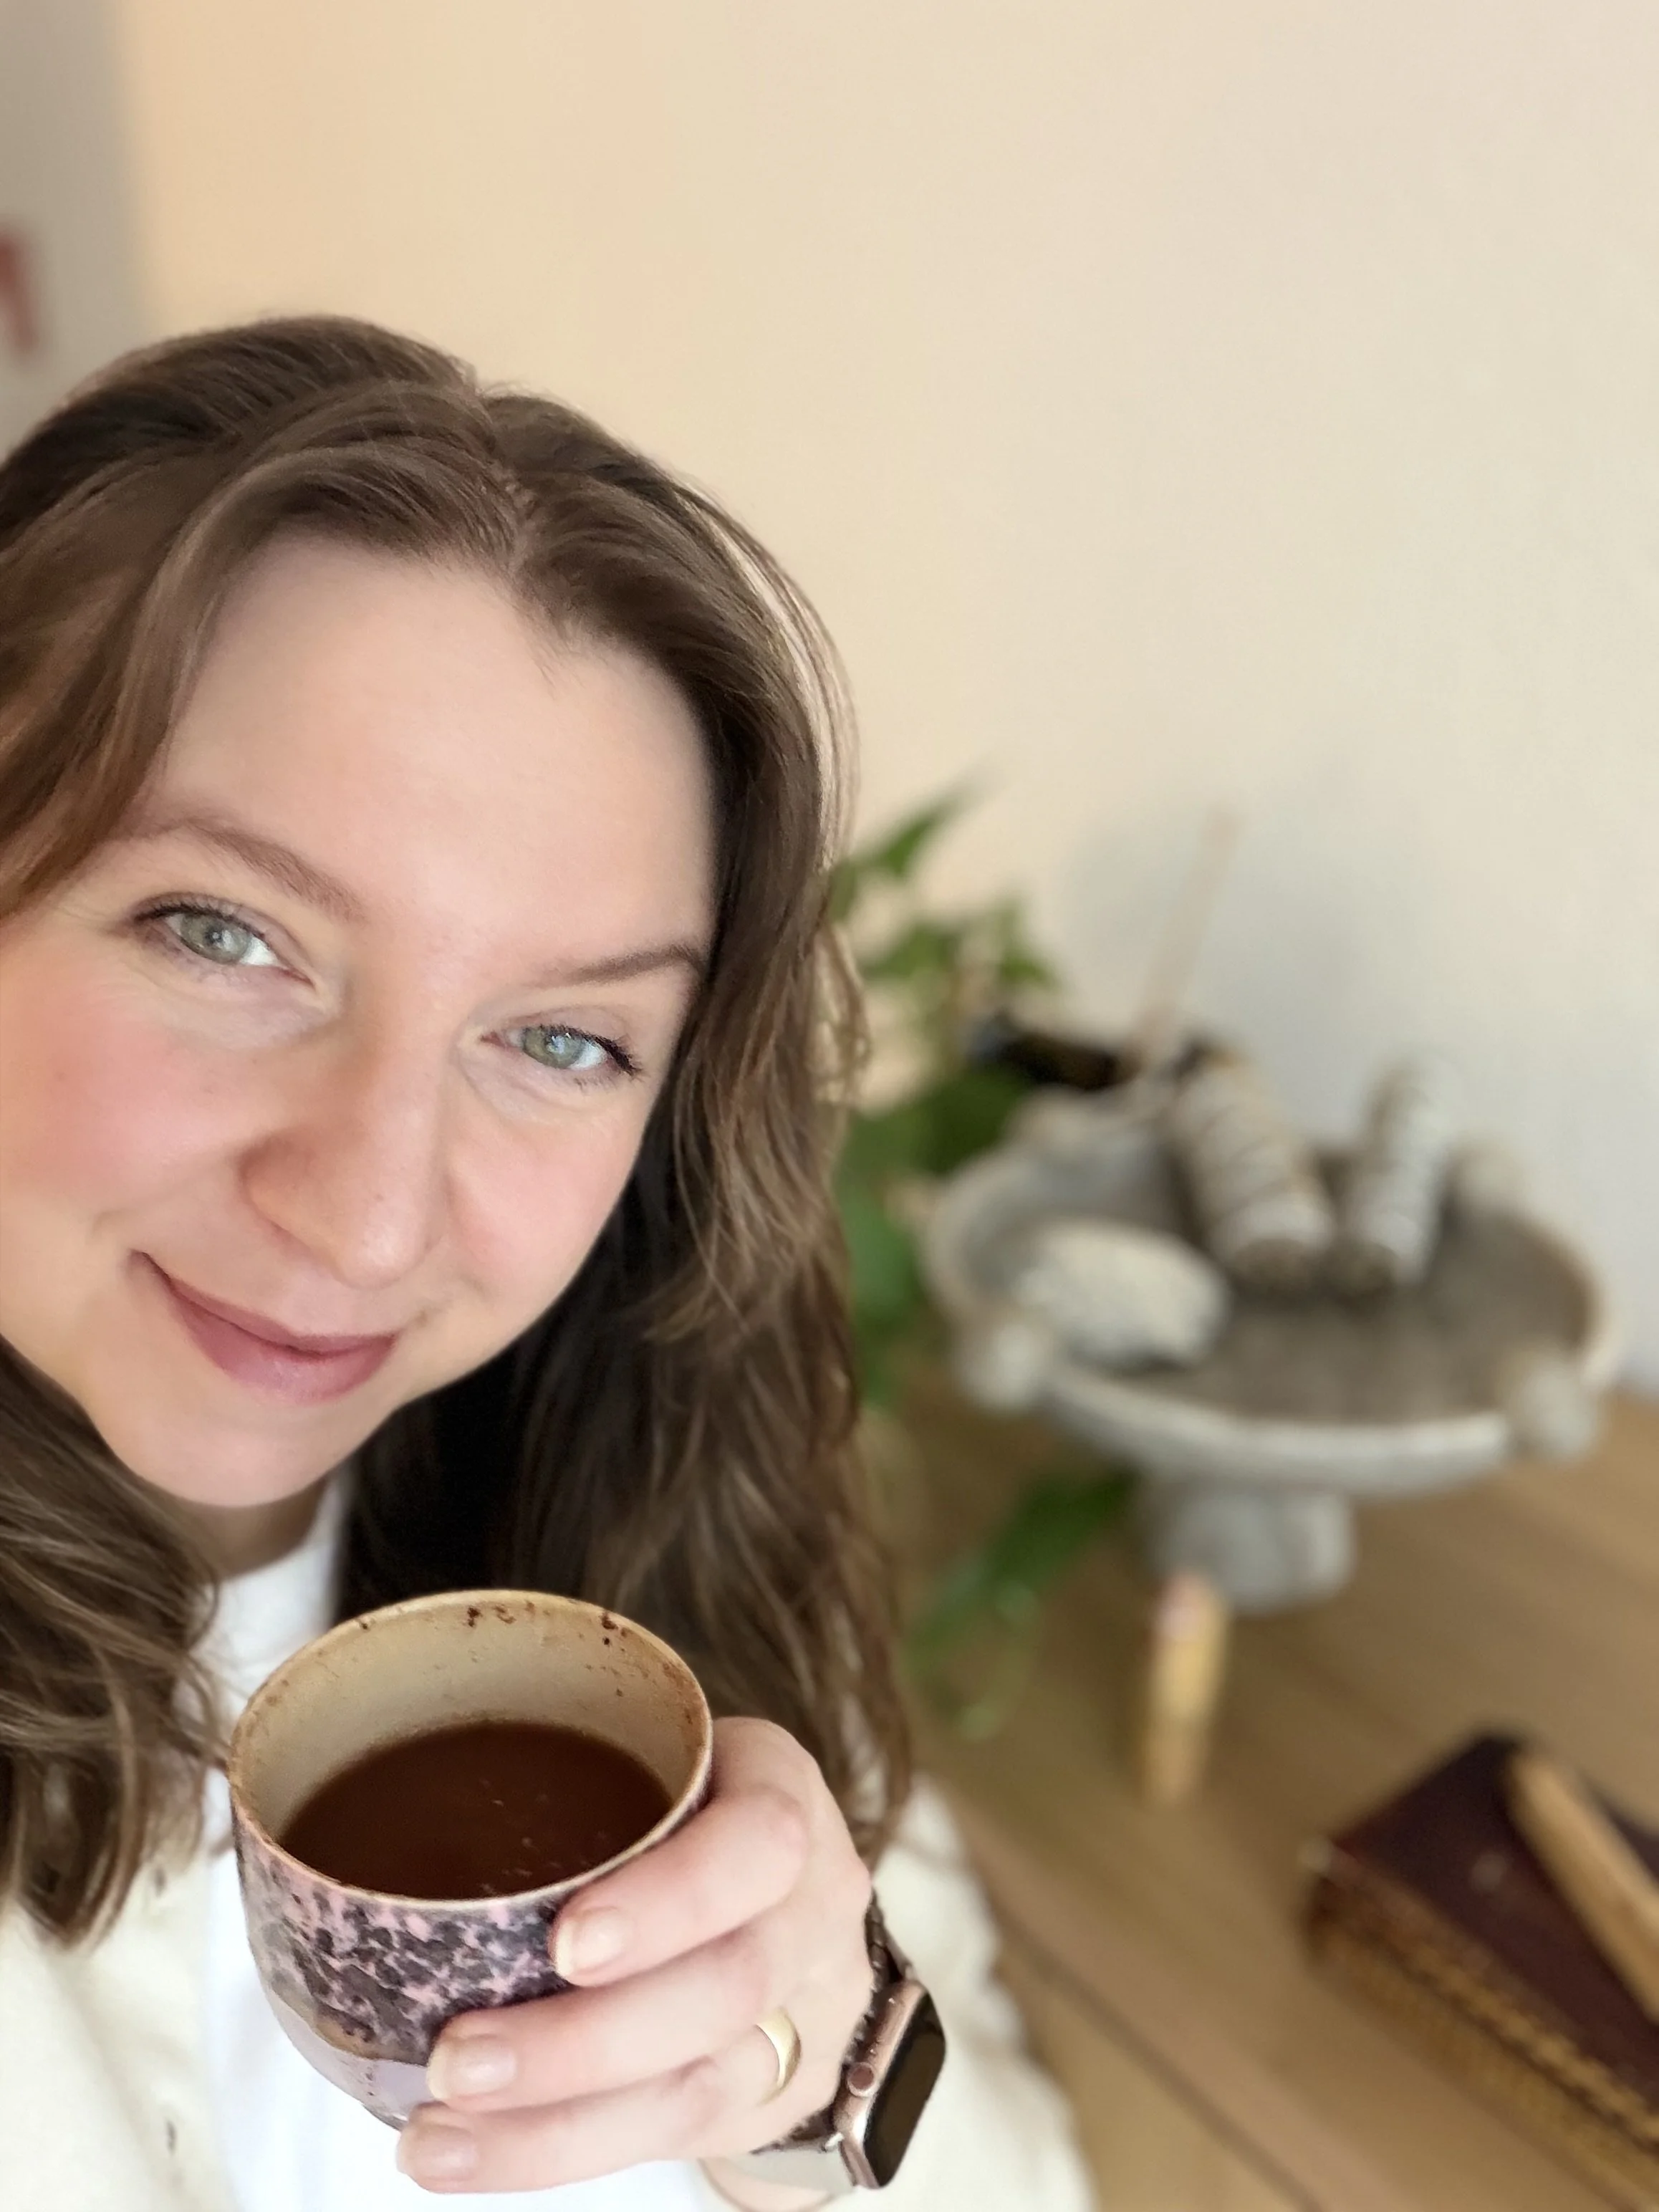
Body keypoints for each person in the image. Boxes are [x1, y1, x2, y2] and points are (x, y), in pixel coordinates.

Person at [0, 319, 1095, 2212]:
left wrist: (823, 2079)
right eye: (221, 932)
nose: (365, 1219)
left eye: (562, 1040)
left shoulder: (637, 1535)